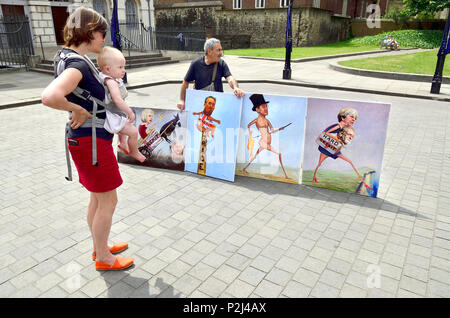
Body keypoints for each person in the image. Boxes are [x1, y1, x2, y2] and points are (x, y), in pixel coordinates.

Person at [41, 6, 133, 271]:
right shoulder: (78, 63)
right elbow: (49, 96)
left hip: (85, 139)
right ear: (90, 32)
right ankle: (104, 257)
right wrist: (78, 109)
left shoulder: (64, 56)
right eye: (102, 32)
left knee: (97, 197)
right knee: (108, 200)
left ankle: (99, 246)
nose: (104, 38)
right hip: (91, 140)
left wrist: (77, 107)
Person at [97, 46, 146, 162]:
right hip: (112, 114)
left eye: (124, 67)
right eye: (120, 67)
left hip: (116, 112)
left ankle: (123, 144)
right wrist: (130, 112)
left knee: (124, 125)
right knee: (133, 132)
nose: (124, 70)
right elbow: (118, 100)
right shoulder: (111, 81)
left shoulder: (112, 77)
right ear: (107, 69)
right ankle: (134, 152)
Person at [177, 38, 245, 111]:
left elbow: (230, 78)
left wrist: (235, 87)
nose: (221, 53)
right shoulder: (196, 64)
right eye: (218, 50)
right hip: (199, 104)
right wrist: (182, 100)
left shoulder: (221, 64)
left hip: (217, 104)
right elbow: (185, 83)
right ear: (209, 51)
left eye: (221, 50)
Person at [312, 107, 372, 190]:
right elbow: (325, 133)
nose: (353, 120)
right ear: (343, 117)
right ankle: (365, 184)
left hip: (332, 149)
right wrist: (337, 140)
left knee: (348, 162)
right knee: (321, 163)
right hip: (328, 148)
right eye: (351, 117)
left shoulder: (342, 129)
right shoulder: (337, 126)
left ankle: (365, 184)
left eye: (355, 119)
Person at [242, 94, 289, 179]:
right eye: (263, 107)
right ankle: (285, 175)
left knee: (255, 155)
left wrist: (280, 129)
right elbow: (248, 125)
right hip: (263, 142)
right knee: (279, 154)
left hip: (267, 142)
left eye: (266, 106)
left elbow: (272, 131)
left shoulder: (267, 121)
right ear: (257, 109)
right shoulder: (257, 120)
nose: (266, 108)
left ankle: (244, 168)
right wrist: (250, 134)